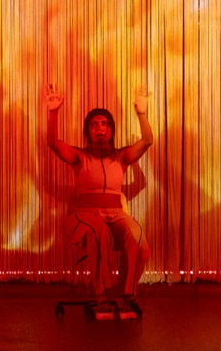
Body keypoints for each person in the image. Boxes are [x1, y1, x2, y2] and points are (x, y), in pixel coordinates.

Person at [45, 83, 153, 319]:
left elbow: (146, 142)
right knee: (99, 232)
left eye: (104, 124)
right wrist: (53, 112)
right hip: (83, 217)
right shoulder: (79, 156)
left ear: (111, 130)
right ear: (88, 131)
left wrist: (142, 114)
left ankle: (126, 297)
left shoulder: (121, 156)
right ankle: (102, 299)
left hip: (116, 216)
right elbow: (53, 143)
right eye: (94, 125)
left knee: (139, 241)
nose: (99, 128)